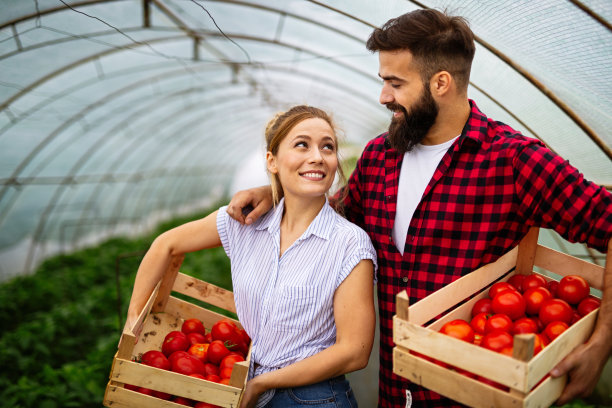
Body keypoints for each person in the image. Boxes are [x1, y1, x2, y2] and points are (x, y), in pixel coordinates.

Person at [225, 9, 612, 408]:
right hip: (396, 393)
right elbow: (331, 219)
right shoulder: (380, 156)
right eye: (383, 82)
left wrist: (602, 343)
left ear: (441, 82)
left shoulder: (513, 161)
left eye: (395, 83)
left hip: (476, 395)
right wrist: (278, 191)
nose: (383, 96)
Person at [126, 105, 378, 408]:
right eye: (302, 144)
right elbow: (165, 245)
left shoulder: (349, 243)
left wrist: (261, 383)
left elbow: (356, 350)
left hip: (313, 398)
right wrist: (132, 327)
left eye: (328, 146)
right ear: (272, 161)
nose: (318, 156)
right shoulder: (245, 223)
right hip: (246, 386)